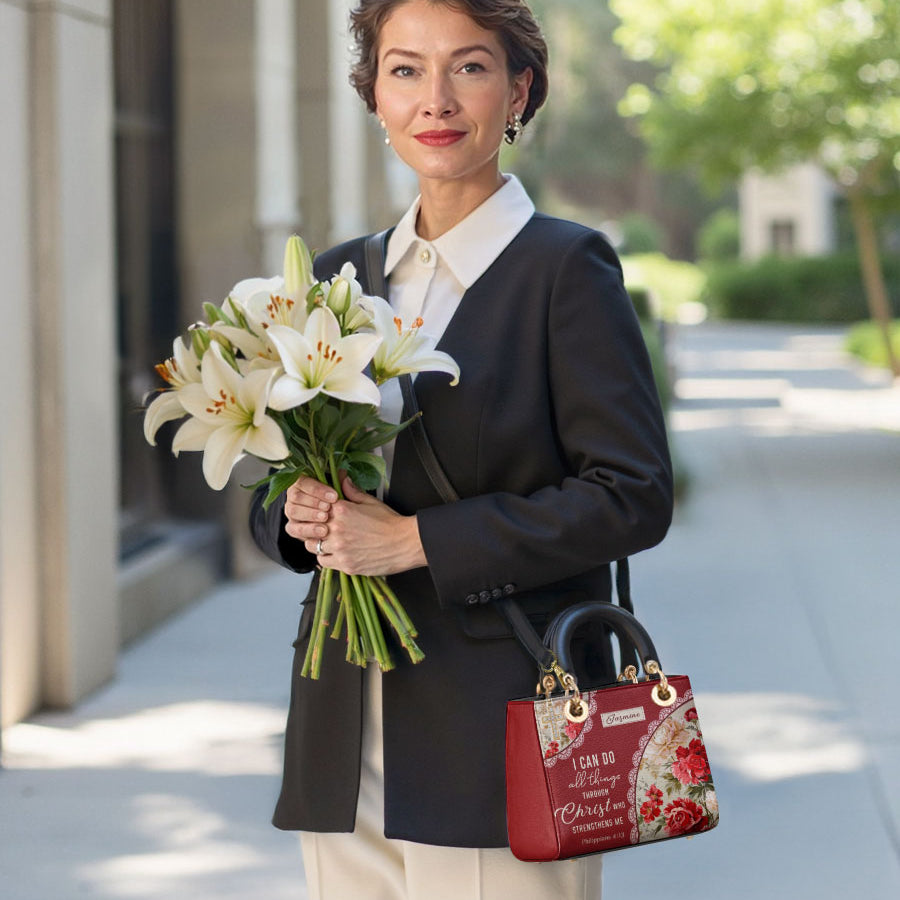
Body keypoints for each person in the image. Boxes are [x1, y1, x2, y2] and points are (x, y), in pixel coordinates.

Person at [249, 1, 673, 897]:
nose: (435, 98)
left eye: (468, 67)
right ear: (374, 97)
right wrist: (298, 516)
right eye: (405, 70)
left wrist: (416, 543)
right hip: (341, 726)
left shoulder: (566, 269)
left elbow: (632, 494)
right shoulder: (336, 276)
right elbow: (277, 477)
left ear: (519, 90)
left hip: (499, 727)